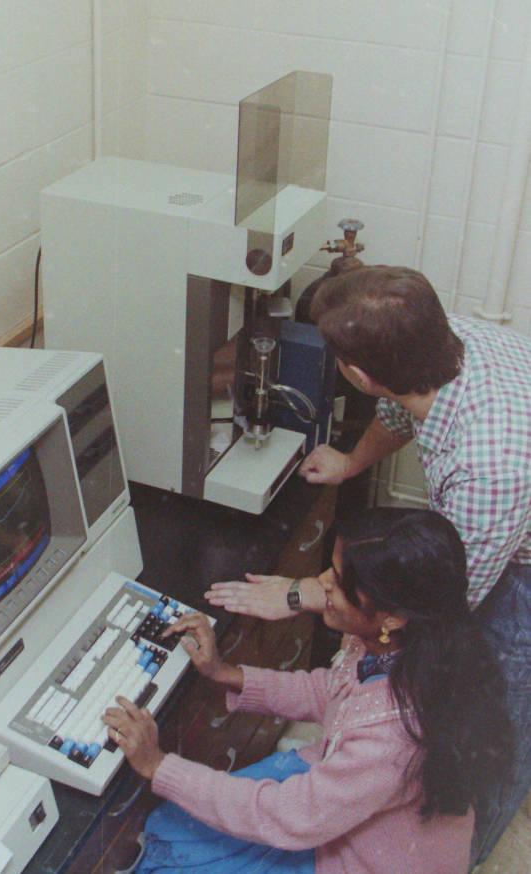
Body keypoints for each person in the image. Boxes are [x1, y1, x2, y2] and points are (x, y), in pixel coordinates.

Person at [204, 265, 531, 863]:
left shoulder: (487, 471)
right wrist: (352, 462)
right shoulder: (445, 340)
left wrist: (304, 594)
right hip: (499, 520)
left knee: (492, 724)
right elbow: (399, 408)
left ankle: (462, 852)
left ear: (356, 374)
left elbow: (431, 609)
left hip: (522, 569)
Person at [103, 508, 512, 874]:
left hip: (356, 856)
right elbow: (330, 692)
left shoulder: (392, 737)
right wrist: (225, 673)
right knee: (175, 828)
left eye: (337, 582)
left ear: (390, 616)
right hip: (335, 809)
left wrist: (159, 766)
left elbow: (288, 817)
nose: (320, 584)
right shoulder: (405, 645)